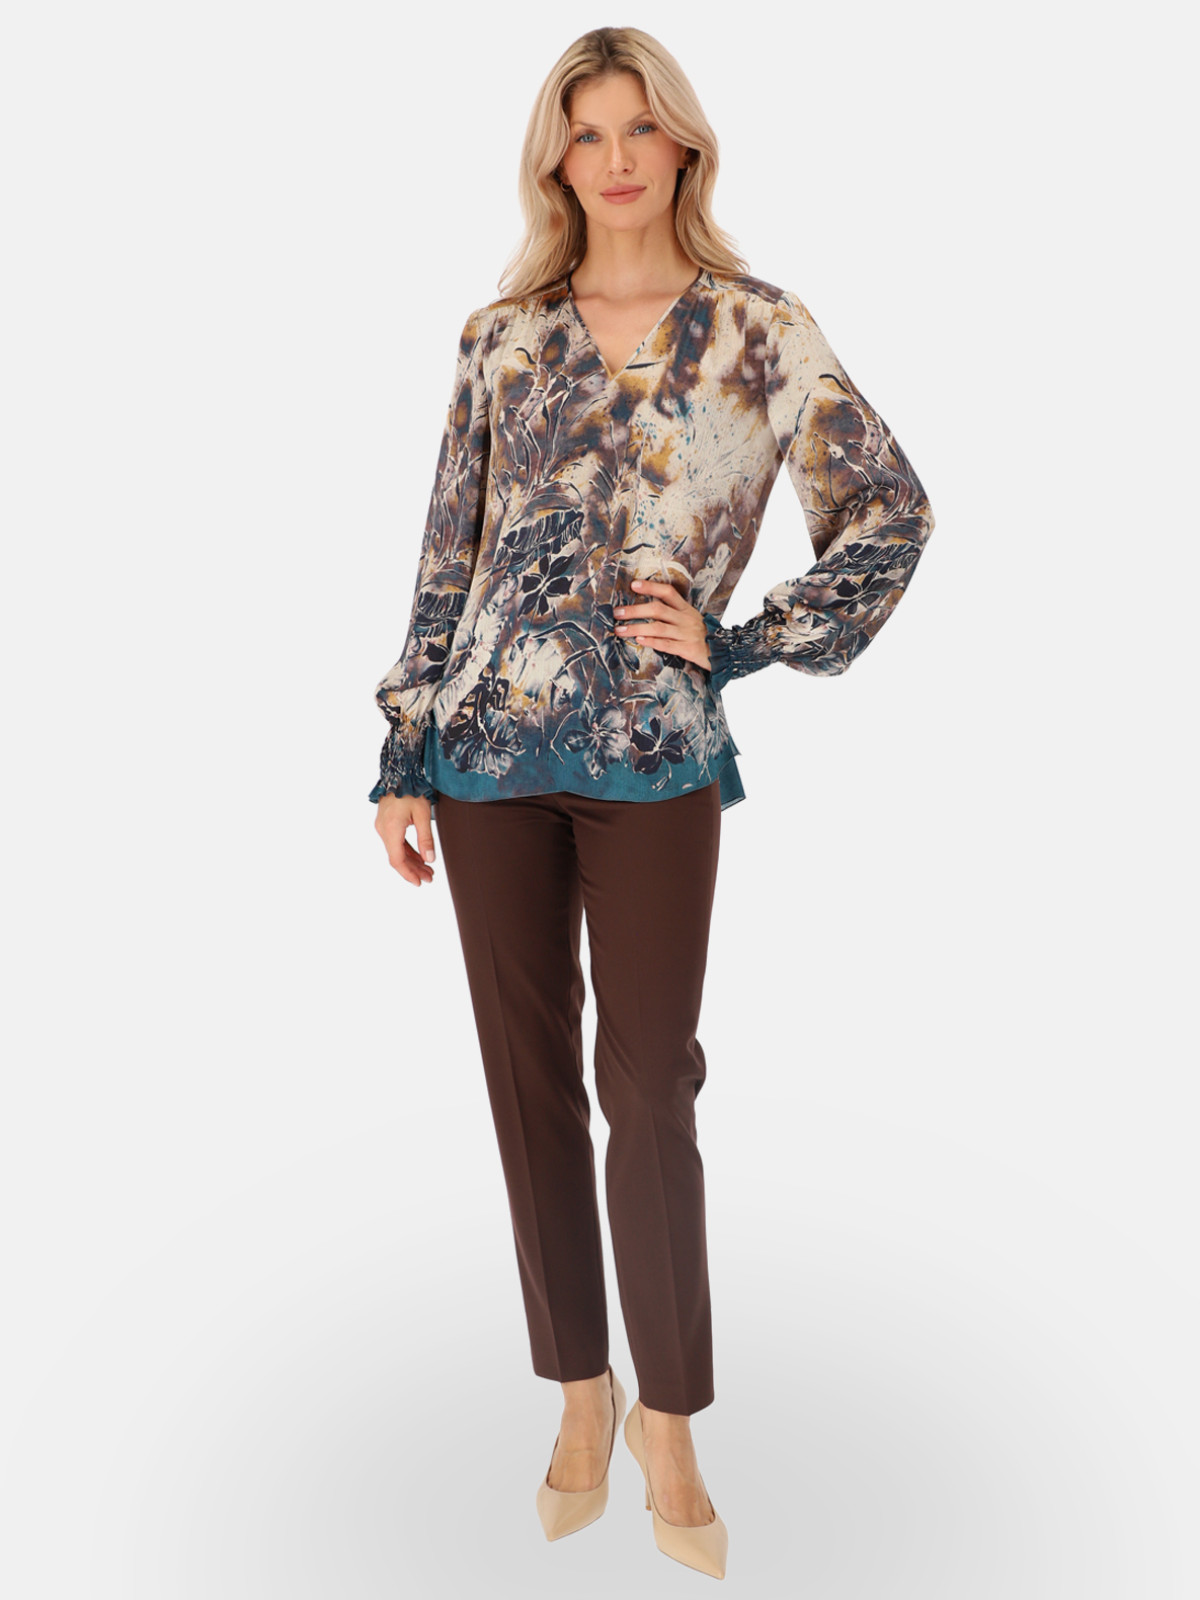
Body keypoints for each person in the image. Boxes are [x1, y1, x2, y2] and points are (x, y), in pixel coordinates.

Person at [369, 25, 934, 1581]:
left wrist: (740, 642)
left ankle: (669, 1416)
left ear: (683, 143)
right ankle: (579, 1390)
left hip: (658, 757)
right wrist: (403, 754)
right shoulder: (501, 337)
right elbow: (447, 551)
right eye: (586, 131)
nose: (615, 157)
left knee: (651, 1081)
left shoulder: (760, 331)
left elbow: (891, 510)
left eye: (640, 127)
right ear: (555, 158)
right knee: (527, 1079)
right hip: (485, 755)